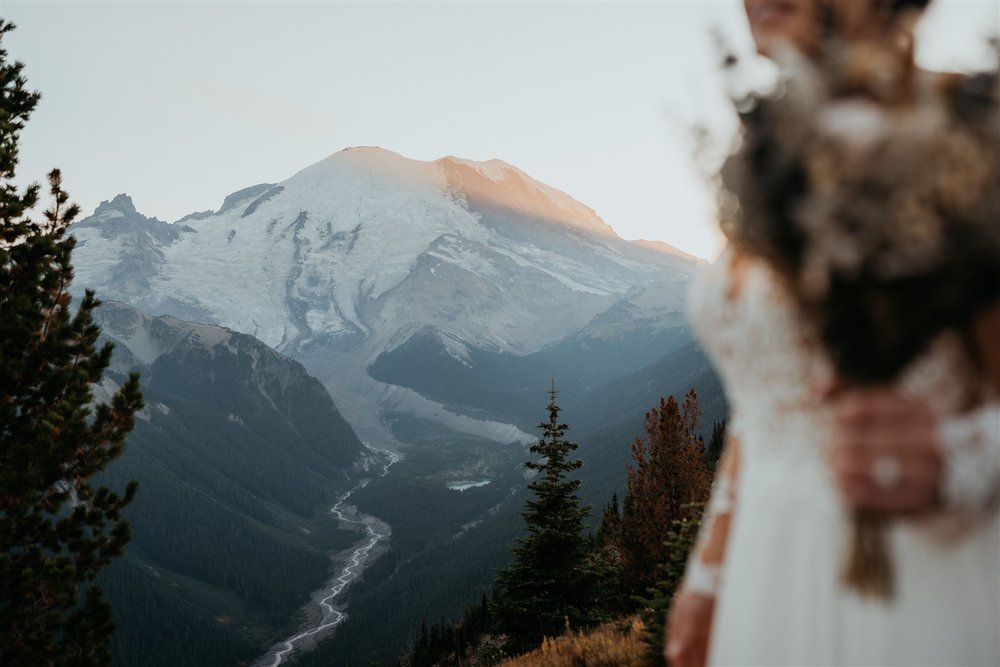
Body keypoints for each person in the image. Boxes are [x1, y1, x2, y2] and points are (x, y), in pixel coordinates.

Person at [665, 1, 1000, 665]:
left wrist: (963, 457)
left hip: (924, 576)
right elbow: (764, 405)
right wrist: (709, 572)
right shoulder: (770, 153)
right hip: (768, 566)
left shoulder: (974, 127)